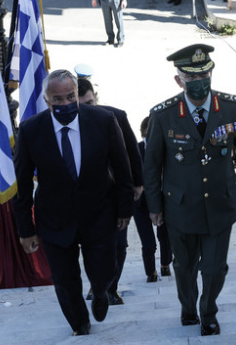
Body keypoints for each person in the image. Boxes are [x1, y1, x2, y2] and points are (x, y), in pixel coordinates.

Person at [144, 44, 236, 336]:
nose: (200, 82)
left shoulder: (232, 107)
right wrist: (154, 207)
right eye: (192, 77)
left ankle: (208, 311)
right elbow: (152, 165)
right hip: (181, 207)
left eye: (205, 74)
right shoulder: (163, 115)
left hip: (221, 204)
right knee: (184, 267)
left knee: (215, 268)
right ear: (179, 80)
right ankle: (188, 305)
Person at [12, 69, 134, 337]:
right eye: (58, 100)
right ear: (46, 100)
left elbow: (122, 166)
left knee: (103, 270)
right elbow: (20, 185)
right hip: (54, 220)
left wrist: (125, 208)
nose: (66, 104)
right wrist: (25, 229)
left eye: (71, 97)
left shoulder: (103, 120)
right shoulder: (32, 131)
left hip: (100, 214)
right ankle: (79, 324)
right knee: (64, 281)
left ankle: (101, 292)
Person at [77, 78, 144, 305]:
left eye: (91, 102)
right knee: (92, 245)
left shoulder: (115, 116)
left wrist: (138, 184)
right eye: (82, 105)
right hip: (85, 197)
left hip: (116, 193)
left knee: (119, 244)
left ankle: (111, 287)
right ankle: (97, 286)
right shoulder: (67, 124)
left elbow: (133, 152)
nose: (88, 109)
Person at [132, 116, 172, 283]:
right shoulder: (135, 150)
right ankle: (151, 272)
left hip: (162, 200)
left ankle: (164, 264)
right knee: (148, 241)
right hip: (140, 203)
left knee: (165, 235)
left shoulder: (167, 150)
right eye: (147, 133)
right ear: (142, 133)